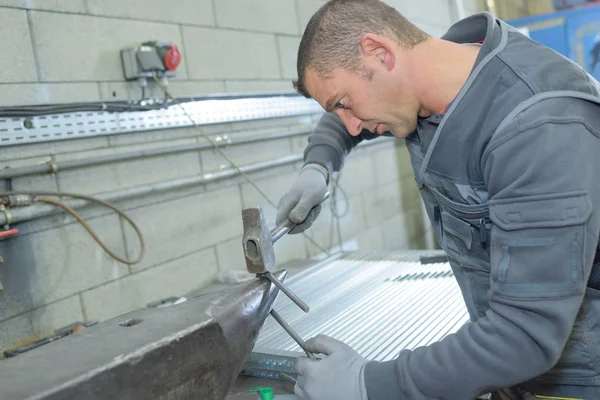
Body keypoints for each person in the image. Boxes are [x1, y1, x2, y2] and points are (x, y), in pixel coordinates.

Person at [275, 0, 600, 399]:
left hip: (578, 375)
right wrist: (319, 165)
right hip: (511, 366)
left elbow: (525, 334)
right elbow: (347, 120)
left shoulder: (538, 127)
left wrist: (371, 384)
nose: (351, 123)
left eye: (343, 102)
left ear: (380, 52)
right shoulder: (433, 78)